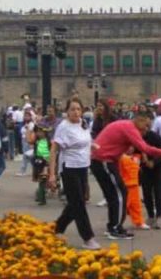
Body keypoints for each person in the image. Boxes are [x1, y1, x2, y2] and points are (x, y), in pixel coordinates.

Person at [90, 111, 161, 239]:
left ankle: (115, 226)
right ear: (139, 120)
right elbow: (146, 148)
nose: (146, 129)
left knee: (117, 193)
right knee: (119, 194)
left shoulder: (125, 125)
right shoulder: (130, 128)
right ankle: (114, 228)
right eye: (146, 125)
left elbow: (118, 144)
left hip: (104, 160)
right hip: (103, 160)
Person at [48, 98, 99, 250]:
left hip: (83, 166)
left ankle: (57, 228)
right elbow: (54, 150)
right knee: (79, 204)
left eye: (78, 109)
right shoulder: (63, 127)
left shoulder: (83, 123)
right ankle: (88, 238)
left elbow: (86, 140)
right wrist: (52, 174)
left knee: (77, 201)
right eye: (72, 109)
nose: (76, 112)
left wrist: (93, 145)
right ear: (67, 111)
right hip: (69, 168)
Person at [140, 122, 161, 229]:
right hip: (145, 168)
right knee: (146, 192)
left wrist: (154, 162)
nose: (143, 131)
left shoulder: (154, 137)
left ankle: (158, 215)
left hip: (159, 167)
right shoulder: (136, 137)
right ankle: (150, 215)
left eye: (145, 128)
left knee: (159, 192)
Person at [119, 149, 147, 230]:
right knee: (124, 206)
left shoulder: (135, 156)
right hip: (125, 184)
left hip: (134, 184)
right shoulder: (122, 158)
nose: (130, 148)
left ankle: (139, 222)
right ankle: (117, 224)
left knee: (136, 205)